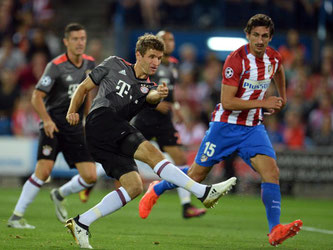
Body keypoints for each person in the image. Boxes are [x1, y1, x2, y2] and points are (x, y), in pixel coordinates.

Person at [139, 14, 303, 246]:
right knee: (197, 175)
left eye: (264, 36)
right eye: (255, 35)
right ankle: (157, 188)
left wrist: (283, 96)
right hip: (224, 127)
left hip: (252, 128)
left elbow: (278, 70)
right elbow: (227, 102)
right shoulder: (236, 60)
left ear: (270, 38)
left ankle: (275, 229)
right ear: (247, 35)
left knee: (271, 172)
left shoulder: (273, 58)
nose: (259, 40)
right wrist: (264, 103)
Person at [64, 33, 237, 249]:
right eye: (152, 56)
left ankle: (82, 222)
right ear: (139, 55)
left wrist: (159, 94)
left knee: (134, 186)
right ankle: (202, 192)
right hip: (101, 121)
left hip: (107, 139)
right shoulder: (114, 63)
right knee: (154, 155)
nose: (156, 62)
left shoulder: (148, 87)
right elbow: (83, 88)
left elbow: (151, 97)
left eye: (159, 57)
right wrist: (72, 111)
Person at [7, 23, 97, 229]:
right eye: (75, 39)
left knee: (91, 176)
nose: (79, 42)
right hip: (53, 125)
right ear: (66, 42)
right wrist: (46, 120)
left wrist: (87, 119)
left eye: (82, 38)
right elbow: (36, 97)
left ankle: (60, 193)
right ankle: (16, 217)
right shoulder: (55, 66)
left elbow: (87, 93)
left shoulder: (90, 63)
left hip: (75, 127)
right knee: (44, 170)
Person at [132, 30, 206, 219]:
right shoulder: (149, 65)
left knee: (180, 159)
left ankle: (186, 205)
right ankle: (90, 179)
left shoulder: (173, 65)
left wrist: (176, 108)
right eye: (165, 40)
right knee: (124, 151)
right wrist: (156, 103)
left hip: (164, 121)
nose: (169, 43)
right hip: (146, 117)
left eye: (171, 40)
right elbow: (140, 88)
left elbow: (171, 94)